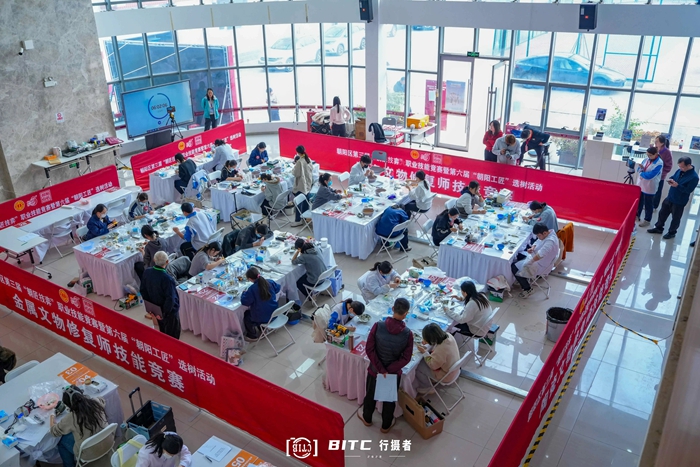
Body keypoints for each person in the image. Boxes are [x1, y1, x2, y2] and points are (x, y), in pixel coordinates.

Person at [357, 297, 413, 433]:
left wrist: (381, 369)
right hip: (392, 373)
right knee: (389, 400)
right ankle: (386, 425)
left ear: (393, 309)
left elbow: (369, 349)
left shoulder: (378, 326)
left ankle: (367, 418)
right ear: (406, 313)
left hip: (375, 370)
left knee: (370, 395)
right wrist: (389, 370)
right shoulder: (408, 334)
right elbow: (406, 358)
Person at [50, 385, 107, 467]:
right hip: (107, 441)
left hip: (88, 453)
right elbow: (102, 399)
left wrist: (52, 415)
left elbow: (53, 431)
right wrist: (86, 400)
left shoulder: (71, 418)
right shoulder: (96, 402)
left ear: (68, 405)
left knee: (61, 441)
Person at [648, 156, 700, 240]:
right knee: (662, 213)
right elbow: (673, 177)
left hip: (679, 201)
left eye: (682, 167)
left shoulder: (694, 177)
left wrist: (677, 186)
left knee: (675, 218)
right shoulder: (679, 170)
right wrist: (671, 179)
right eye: (679, 166)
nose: (680, 168)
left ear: (688, 165)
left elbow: (688, 190)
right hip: (670, 197)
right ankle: (658, 228)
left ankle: (672, 232)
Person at [511, 223, 560, 298]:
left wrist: (529, 262)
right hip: (539, 259)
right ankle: (522, 278)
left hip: (541, 264)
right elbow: (538, 241)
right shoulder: (548, 233)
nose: (538, 237)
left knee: (514, 266)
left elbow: (540, 255)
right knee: (519, 256)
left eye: (538, 235)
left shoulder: (550, 241)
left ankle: (528, 289)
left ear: (544, 233)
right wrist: (533, 247)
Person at [140, 252, 181, 339]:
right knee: (173, 335)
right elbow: (170, 299)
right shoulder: (168, 279)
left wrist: (151, 309)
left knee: (163, 331)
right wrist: (164, 314)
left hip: (156, 309)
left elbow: (143, 291)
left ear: (154, 260)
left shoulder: (147, 272)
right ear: (167, 261)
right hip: (169, 313)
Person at [414, 323, 460, 394]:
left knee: (419, 366)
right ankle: (430, 380)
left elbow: (433, 365)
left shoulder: (441, 350)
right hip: (455, 370)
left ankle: (427, 387)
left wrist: (424, 352)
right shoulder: (448, 335)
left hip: (446, 375)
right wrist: (427, 342)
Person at [240, 267, 281, 340]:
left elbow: (245, 302)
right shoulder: (269, 282)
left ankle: (252, 335)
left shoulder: (252, 289)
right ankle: (263, 329)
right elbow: (278, 288)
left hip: (263, 317)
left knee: (247, 315)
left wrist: (243, 293)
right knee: (262, 307)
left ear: (250, 279)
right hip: (274, 312)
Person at [636, 146, 663, 227]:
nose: (648, 157)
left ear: (656, 154)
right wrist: (641, 169)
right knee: (639, 201)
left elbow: (650, 176)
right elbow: (638, 169)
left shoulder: (659, 163)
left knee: (648, 204)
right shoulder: (646, 159)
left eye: (650, 155)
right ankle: (637, 215)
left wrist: (641, 173)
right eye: (647, 155)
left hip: (650, 186)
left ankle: (647, 220)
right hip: (641, 184)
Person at [291, 146, 314, 227]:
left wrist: (293, 168)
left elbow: (296, 174)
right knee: (305, 202)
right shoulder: (308, 159)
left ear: (297, 152)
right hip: (308, 184)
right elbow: (311, 169)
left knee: (298, 203)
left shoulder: (300, 162)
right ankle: (304, 218)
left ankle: (298, 220)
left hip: (301, 185)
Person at [653, 135, 674, 210]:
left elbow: (669, 166)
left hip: (660, 176)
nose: (655, 142)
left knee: (658, 191)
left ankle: (654, 206)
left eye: (657, 141)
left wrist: (661, 173)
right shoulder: (655, 149)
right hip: (651, 174)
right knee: (650, 189)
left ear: (662, 143)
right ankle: (648, 204)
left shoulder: (667, 152)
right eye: (655, 141)